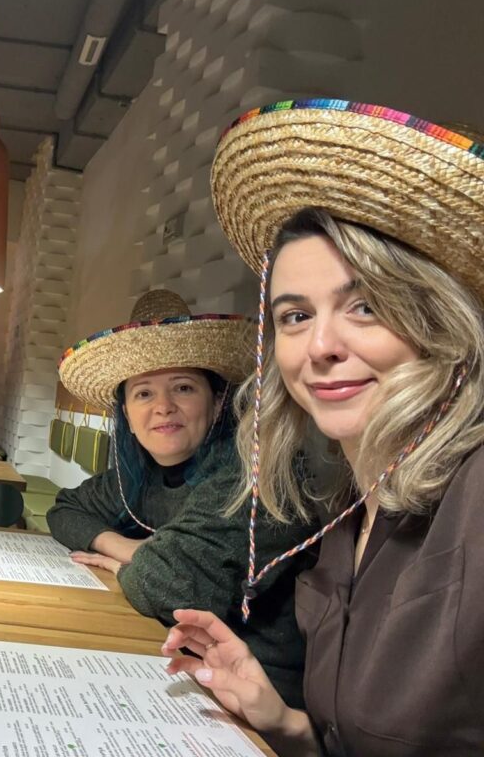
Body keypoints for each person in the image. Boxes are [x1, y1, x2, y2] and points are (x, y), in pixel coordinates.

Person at [163, 99, 484, 756]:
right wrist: (282, 722)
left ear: (440, 322)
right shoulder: (346, 511)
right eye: (295, 316)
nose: (319, 347)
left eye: (364, 306)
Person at [50, 289, 316, 707]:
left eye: (183, 388)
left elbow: (173, 588)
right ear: (127, 415)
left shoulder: (254, 474)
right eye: (143, 393)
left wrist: (139, 562)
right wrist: (126, 547)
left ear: (217, 402)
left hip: (261, 699)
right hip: (182, 664)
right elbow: (64, 510)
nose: (163, 407)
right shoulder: (138, 476)